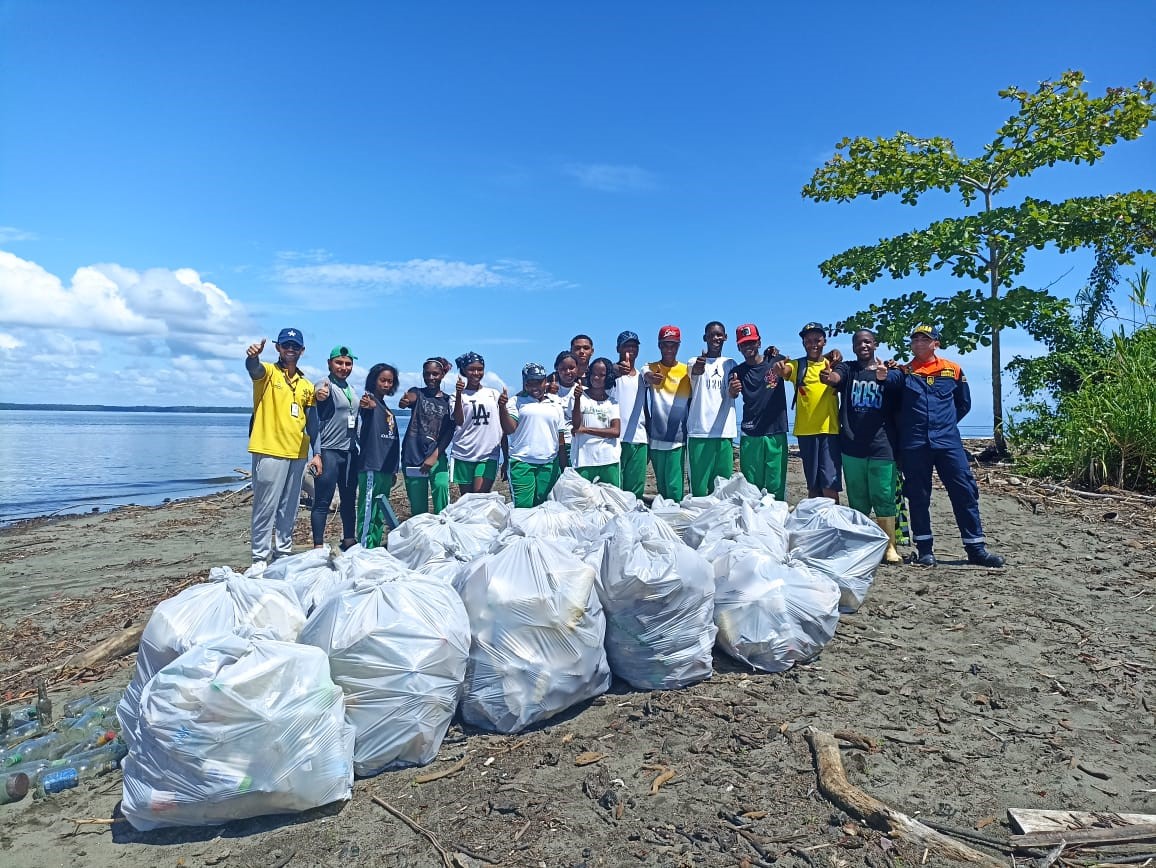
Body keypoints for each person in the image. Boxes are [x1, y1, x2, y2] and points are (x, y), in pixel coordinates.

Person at [896, 325, 1004, 567]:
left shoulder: (952, 370)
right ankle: (925, 549)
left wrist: (943, 425)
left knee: (964, 491)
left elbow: (963, 404)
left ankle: (976, 548)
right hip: (915, 444)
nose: (919, 343)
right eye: (915, 340)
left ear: (936, 343)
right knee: (918, 495)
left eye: (925, 339)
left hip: (948, 442)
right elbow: (895, 409)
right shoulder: (904, 372)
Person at [819, 329, 904, 563]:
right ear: (853, 347)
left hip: (882, 446)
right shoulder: (848, 368)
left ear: (875, 344)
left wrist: (887, 374)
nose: (863, 346)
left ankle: (889, 547)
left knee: (884, 495)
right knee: (858, 498)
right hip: (852, 444)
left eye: (867, 342)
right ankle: (863, 545)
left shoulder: (889, 370)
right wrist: (828, 376)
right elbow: (834, 377)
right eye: (858, 343)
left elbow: (900, 383)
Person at [245, 328, 316, 567]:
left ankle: (283, 553)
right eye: (286, 345)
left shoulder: (306, 384)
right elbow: (253, 369)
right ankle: (260, 557)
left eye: (295, 347)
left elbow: (312, 420)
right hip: (269, 449)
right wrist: (253, 357)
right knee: (265, 505)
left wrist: (317, 454)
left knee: (290, 507)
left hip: (297, 453)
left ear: (302, 351)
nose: (290, 350)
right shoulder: (268, 372)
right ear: (278, 347)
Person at [775, 322, 842, 501]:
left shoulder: (834, 364)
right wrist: (780, 368)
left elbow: (842, 374)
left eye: (817, 340)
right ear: (803, 343)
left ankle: (834, 523)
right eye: (808, 340)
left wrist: (835, 360)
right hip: (805, 433)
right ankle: (817, 525)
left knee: (830, 485)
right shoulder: (799, 365)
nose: (813, 344)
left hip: (830, 431)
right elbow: (785, 370)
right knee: (812, 486)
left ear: (824, 342)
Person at [728, 324, 789, 502]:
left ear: (759, 342)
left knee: (775, 487)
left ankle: (775, 525)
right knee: (751, 488)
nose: (749, 347)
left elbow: (799, 366)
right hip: (750, 433)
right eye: (744, 344)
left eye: (752, 342)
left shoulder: (776, 360)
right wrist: (732, 390)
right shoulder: (737, 372)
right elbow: (731, 394)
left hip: (776, 432)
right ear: (739, 347)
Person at [308, 345, 361, 551]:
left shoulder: (351, 389)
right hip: (329, 451)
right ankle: (318, 546)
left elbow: (356, 421)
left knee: (349, 500)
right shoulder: (325, 384)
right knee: (322, 501)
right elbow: (316, 402)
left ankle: (349, 540)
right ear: (329, 363)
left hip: (349, 452)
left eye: (348, 364)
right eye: (339, 363)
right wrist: (317, 453)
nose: (344, 367)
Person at [500, 363, 566, 507]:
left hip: (549, 464)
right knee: (523, 510)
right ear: (524, 382)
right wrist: (502, 408)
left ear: (545, 382)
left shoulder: (555, 403)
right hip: (522, 463)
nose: (535, 386)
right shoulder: (516, 402)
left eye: (539, 382)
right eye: (531, 382)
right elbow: (509, 429)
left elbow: (560, 438)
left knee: (546, 508)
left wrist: (564, 467)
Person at [398, 357, 455, 516]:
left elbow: (449, 432)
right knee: (418, 507)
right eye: (427, 374)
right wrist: (404, 401)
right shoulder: (417, 392)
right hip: (412, 454)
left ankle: (442, 532)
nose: (431, 378)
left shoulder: (448, 401)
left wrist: (434, 457)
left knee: (441, 490)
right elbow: (408, 399)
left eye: (435, 374)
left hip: (436, 455)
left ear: (442, 375)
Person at [686, 321, 737, 496]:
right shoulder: (694, 361)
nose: (716, 338)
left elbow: (733, 391)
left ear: (725, 337)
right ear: (705, 338)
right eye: (711, 335)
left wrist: (733, 390)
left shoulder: (730, 363)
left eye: (719, 334)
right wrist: (701, 365)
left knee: (723, 489)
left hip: (724, 433)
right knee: (699, 490)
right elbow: (696, 371)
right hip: (700, 433)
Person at [356, 363, 401, 548]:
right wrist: (368, 405)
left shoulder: (385, 407)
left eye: (390, 381)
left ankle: (375, 545)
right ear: (374, 380)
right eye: (382, 380)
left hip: (385, 468)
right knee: (368, 509)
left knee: (380, 510)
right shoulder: (370, 401)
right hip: (371, 465)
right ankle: (365, 546)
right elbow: (364, 408)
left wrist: (393, 470)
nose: (386, 384)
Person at [644, 325, 691, 501]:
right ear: (659, 345)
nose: (669, 349)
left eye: (673, 345)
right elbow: (643, 373)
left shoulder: (687, 371)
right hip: (655, 438)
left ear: (679, 346)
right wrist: (649, 377)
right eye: (665, 345)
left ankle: (675, 520)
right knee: (661, 486)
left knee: (674, 486)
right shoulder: (650, 367)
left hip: (677, 439)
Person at [449, 352, 503, 496]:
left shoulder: (493, 394)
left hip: (488, 453)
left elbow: (501, 425)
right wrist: (460, 393)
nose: (476, 373)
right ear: (464, 371)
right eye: (472, 369)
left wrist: (507, 455)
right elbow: (458, 420)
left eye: (480, 369)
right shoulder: (456, 396)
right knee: (467, 499)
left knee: (479, 496)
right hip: (463, 452)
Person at [571, 357, 622, 485]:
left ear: (608, 377)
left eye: (601, 375)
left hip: (609, 458)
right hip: (584, 458)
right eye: (594, 374)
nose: (596, 378)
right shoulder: (580, 397)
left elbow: (616, 431)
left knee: (611, 499)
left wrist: (586, 429)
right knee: (584, 500)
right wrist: (577, 399)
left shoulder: (613, 402)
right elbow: (577, 426)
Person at [612, 331, 649, 498]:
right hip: (614, 440)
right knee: (615, 489)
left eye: (634, 346)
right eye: (626, 345)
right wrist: (614, 370)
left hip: (639, 438)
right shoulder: (608, 376)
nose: (631, 349)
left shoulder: (643, 377)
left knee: (635, 491)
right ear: (618, 348)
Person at [552, 350, 581, 468]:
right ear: (557, 369)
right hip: (553, 446)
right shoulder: (548, 391)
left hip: (576, 444)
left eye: (571, 368)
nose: (568, 372)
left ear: (578, 368)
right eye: (563, 369)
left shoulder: (585, 391)